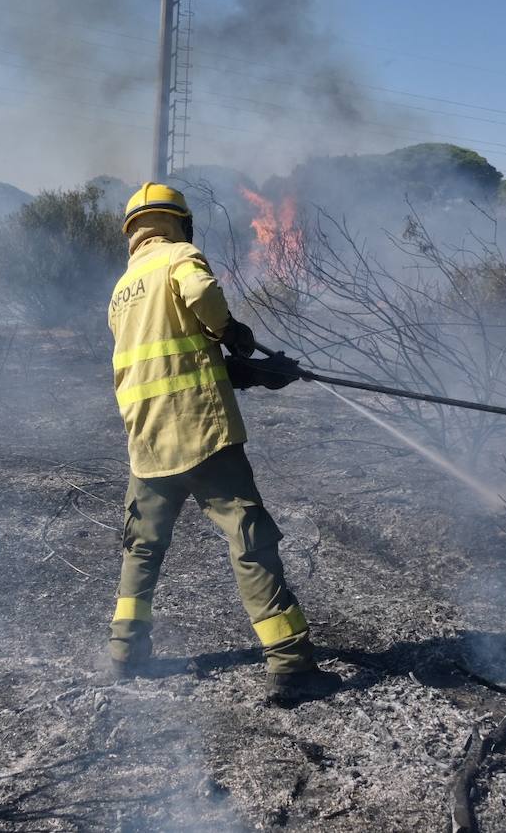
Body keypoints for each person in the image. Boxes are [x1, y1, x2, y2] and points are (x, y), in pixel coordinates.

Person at [104, 182, 339, 702]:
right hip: (202, 432)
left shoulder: (122, 290)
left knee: (142, 548)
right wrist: (231, 331)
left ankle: (125, 653)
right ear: (179, 223)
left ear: (133, 232)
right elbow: (202, 298)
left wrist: (249, 373)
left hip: (147, 441)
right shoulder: (179, 256)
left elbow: (170, 363)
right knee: (250, 538)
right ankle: (292, 665)